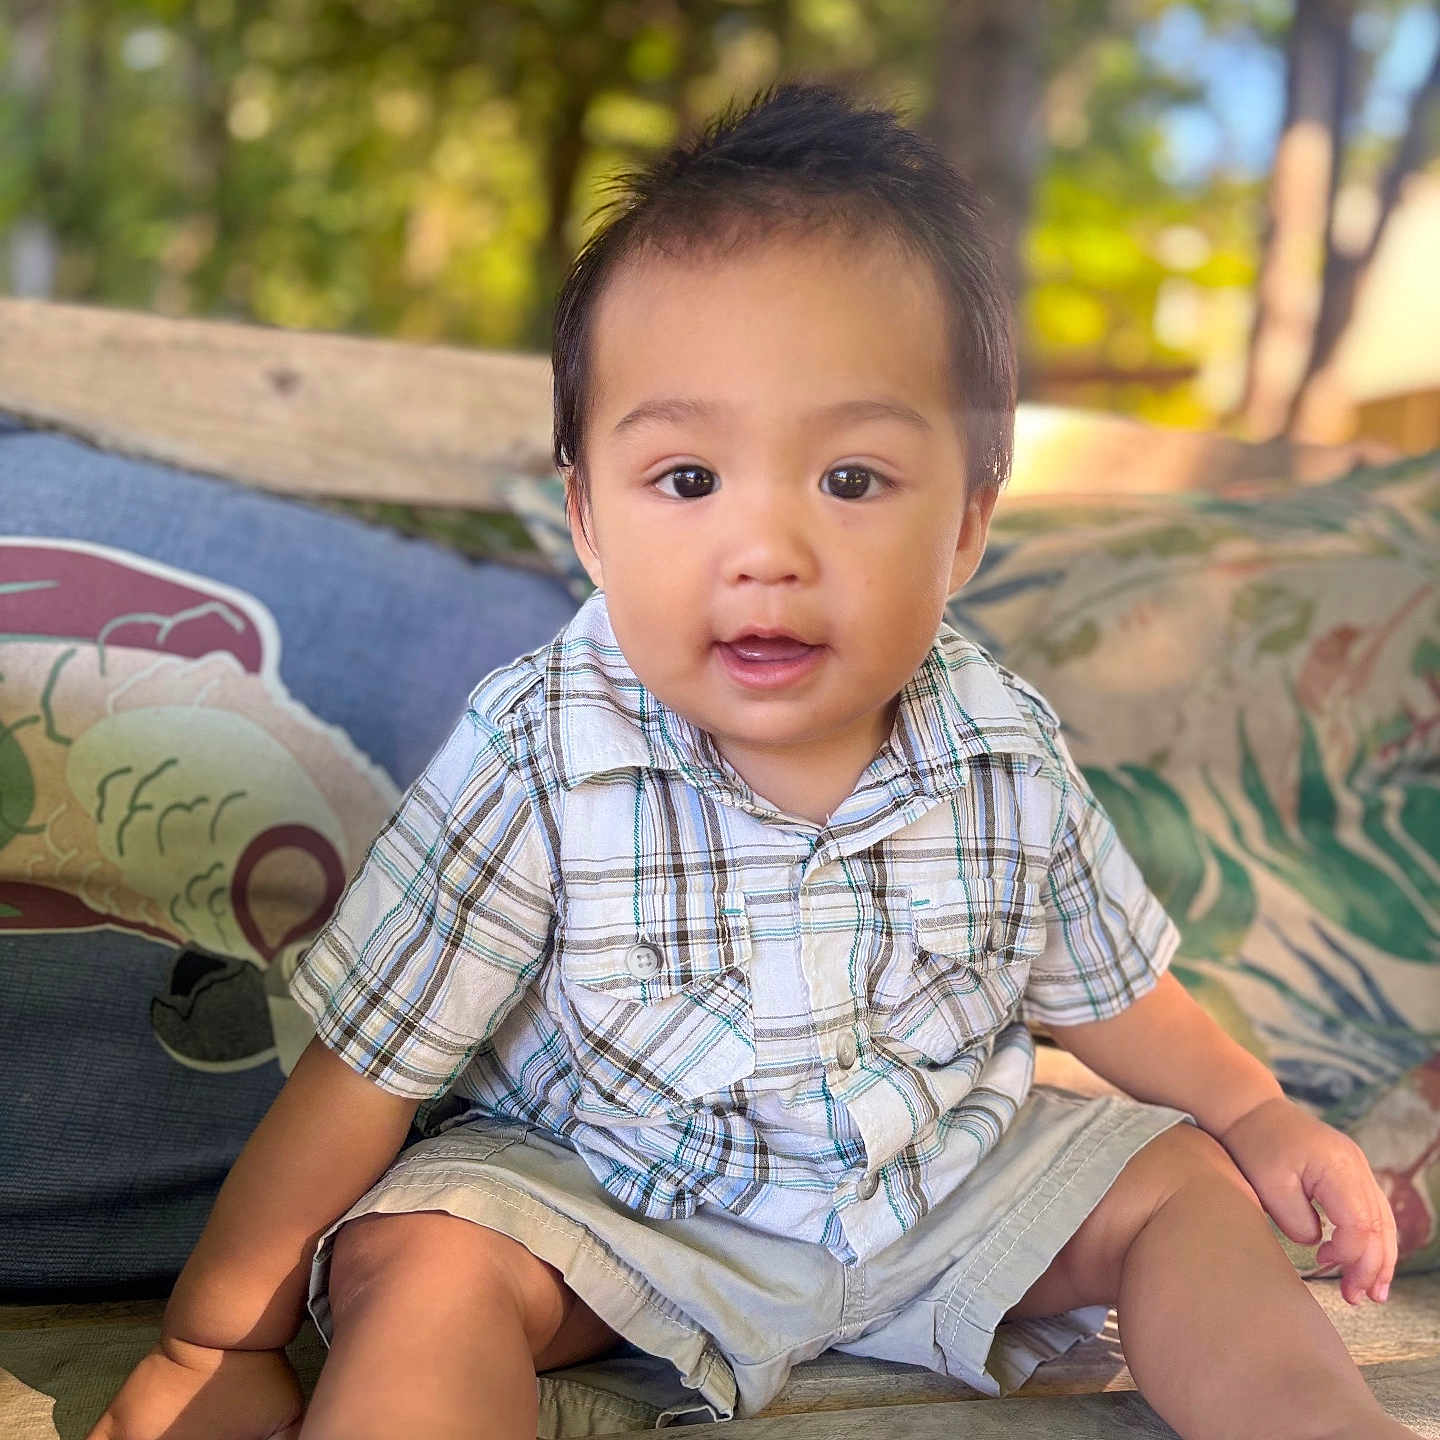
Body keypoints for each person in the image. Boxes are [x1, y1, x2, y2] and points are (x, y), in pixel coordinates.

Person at [88, 80, 1410, 1440]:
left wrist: (1258, 1117)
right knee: (419, 1257)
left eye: (849, 480)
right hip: (605, 1204)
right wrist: (210, 1339)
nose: (766, 548)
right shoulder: (541, 752)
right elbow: (369, 1069)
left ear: (964, 528)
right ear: (589, 520)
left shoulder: (999, 743)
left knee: (1183, 1184)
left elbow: (1111, 990)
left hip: (938, 1197)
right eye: (688, 480)